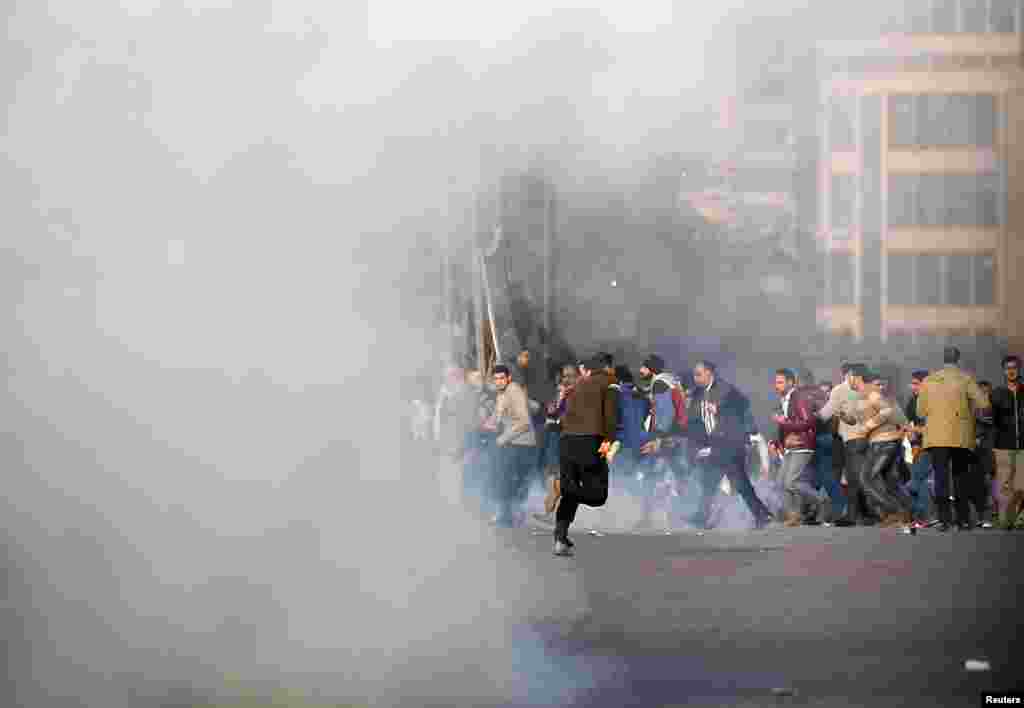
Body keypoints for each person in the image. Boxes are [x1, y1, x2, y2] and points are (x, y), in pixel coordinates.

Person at [687, 360, 773, 529]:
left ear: (709, 373)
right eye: (694, 375)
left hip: (729, 443)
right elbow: (697, 420)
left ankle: (761, 514)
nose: (695, 378)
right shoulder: (698, 393)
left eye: (699, 374)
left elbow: (742, 405)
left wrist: (721, 409)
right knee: (715, 481)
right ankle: (761, 514)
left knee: (734, 482)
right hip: (716, 442)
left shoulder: (725, 389)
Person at [917, 347, 992, 532]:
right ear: (958, 360)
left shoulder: (928, 381)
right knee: (961, 478)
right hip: (960, 436)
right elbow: (984, 403)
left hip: (936, 437)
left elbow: (920, 411)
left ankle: (943, 520)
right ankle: (963, 520)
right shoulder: (965, 379)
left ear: (942, 360)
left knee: (941, 479)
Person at [552, 357, 618, 556]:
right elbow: (610, 418)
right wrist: (608, 446)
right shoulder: (610, 383)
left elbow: (559, 415)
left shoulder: (576, 385)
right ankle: (564, 490)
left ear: (587, 371)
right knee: (598, 495)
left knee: (570, 489)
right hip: (590, 442)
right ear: (606, 369)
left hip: (566, 442)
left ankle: (560, 538)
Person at [854, 371, 913, 527]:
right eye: (877, 384)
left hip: (883, 442)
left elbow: (895, 417)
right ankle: (906, 513)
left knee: (867, 478)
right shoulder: (872, 398)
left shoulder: (878, 397)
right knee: (891, 481)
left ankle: (895, 512)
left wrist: (867, 427)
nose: (880, 387)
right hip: (887, 442)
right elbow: (900, 418)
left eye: (881, 384)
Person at [822, 363, 873, 526]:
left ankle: (852, 516)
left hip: (852, 439)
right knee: (861, 476)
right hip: (869, 438)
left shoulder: (840, 390)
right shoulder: (869, 389)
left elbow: (825, 414)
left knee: (853, 478)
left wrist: (810, 417)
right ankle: (866, 514)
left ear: (851, 375)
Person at [771, 368, 824, 527]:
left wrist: (784, 422)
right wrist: (781, 442)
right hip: (790, 445)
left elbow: (808, 421)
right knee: (781, 483)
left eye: (780, 382)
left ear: (791, 382)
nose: (776, 385)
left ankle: (820, 500)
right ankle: (795, 515)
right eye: (775, 382)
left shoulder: (799, 397)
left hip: (802, 444)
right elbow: (786, 425)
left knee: (791, 482)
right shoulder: (785, 399)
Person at [487, 365, 538, 528]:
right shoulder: (503, 393)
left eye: (502, 378)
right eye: (496, 378)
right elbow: (533, 407)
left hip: (520, 444)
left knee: (508, 480)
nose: (498, 381)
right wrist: (490, 422)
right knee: (507, 479)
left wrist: (503, 438)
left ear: (508, 378)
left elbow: (523, 422)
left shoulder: (513, 390)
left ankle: (509, 515)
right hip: (514, 443)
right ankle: (509, 514)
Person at [991, 355, 1024, 529]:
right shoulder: (997, 393)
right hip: (1003, 446)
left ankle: (1018, 518)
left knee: (1021, 485)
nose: (1011, 370)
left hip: (1023, 446)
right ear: (1004, 371)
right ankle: (1006, 520)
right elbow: (991, 420)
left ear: (1019, 369)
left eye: (1014, 367)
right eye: (1008, 367)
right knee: (1005, 486)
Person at [904, 369, 934, 528]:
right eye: (912, 383)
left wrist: (915, 431)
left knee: (915, 481)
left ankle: (926, 515)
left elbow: (932, 427)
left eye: (916, 383)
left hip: (932, 445)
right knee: (919, 481)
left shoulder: (933, 400)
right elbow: (909, 424)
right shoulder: (912, 401)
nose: (913, 387)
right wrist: (913, 441)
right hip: (917, 446)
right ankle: (922, 517)